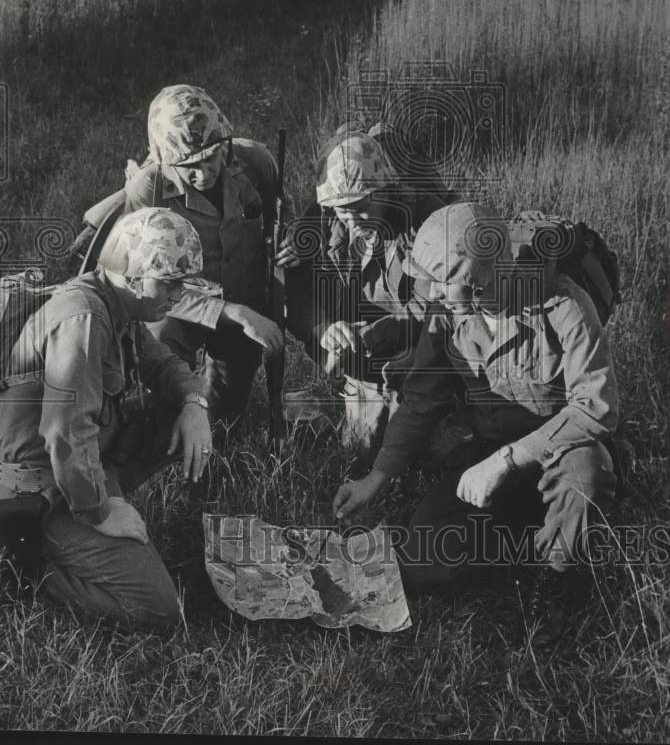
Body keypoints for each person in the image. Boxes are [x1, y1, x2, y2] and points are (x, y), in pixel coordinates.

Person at [332, 202, 620, 647]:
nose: (430, 292)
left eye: (441, 282)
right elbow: (421, 402)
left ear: (481, 279)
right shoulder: (447, 315)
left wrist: (506, 461)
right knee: (424, 563)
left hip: (560, 451)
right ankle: (527, 534)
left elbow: (595, 408)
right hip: (488, 450)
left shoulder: (564, 305)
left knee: (587, 476)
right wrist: (376, 477)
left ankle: (558, 577)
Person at [0, 208, 217, 629]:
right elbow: (65, 433)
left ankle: (77, 518)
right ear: (132, 276)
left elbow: (162, 364)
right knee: (158, 609)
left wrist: (195, 405)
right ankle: (28, 562)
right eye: (169, 283)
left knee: (175, 409)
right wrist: (103, 512)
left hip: (82, 465)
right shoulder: (82, 318)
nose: (178, 296)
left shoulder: (115, 305)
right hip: (43, 484)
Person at [122, 85, 283, 426]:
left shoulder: (256, 163)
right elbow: (142, 282)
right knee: (163, 363)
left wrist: (293, 241)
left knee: (226, 416)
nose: (203, 173)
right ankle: (166, 421)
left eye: (211, 158)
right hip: (178, 305)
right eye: (188, 166)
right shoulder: (148, 191)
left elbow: (279, 221)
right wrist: (228, 311)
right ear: (164, 161)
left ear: (225, 142)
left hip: (243, 299)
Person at [279, 130, 448, 457]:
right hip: (353, 347)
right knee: (360, 451)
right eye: (343, 210)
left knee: (413, 450)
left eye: (361, 206)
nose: (352, 219)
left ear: (384, 189)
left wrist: (370, 334)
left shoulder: (426, 219)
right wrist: (323, 327)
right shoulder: (323, 218)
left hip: (413, 344)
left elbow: (433, 305)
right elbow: (296, 291)